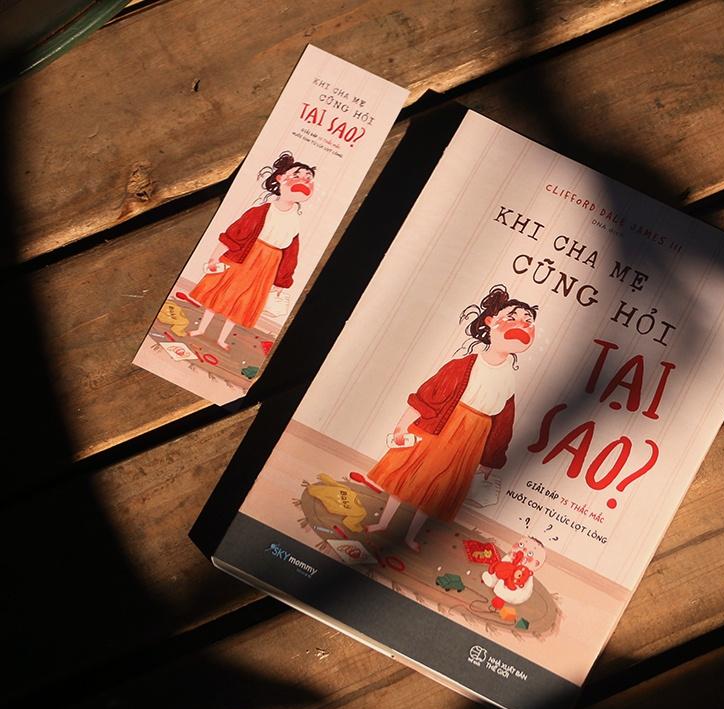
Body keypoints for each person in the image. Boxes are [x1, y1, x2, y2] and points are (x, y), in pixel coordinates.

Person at [359, 284, 538, 551]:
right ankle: (384, 523)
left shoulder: (509, 378)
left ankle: (410, 536)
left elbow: (503, 423)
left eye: (528, 321)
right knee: (409, 475)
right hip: (441, 425)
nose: (520, 325)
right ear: (491, 322)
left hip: (472, 437)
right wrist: (402, 424)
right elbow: (426, 396)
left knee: (439, 488)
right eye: (512, 317)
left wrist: (491, 460)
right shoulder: (463, 364)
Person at [185, 152, 315, 350]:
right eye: (297, 175)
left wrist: (282, 280)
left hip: (267, 265)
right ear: (281, 178)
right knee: (221, 293)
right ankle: (201, 329)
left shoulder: (295, 220)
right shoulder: (261, 211)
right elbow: (233, 234)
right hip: (244, 256)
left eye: (308, 178)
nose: (303, 181)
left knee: (243, 303)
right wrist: (215, 256)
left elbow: (290, 253)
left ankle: (222, 339)